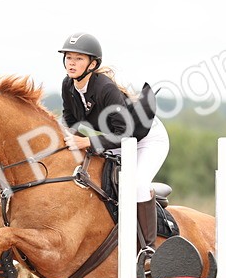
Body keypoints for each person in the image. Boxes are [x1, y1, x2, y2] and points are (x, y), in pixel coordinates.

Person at [58, 31, 170, 250]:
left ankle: (148, 249)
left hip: (145, 139)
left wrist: (88, 143)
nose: (71, 63)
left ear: (92, 64)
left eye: (78, 58)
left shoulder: (105, 89)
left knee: (136, 185)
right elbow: (71, 121)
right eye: (69, 58)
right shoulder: (68, 86)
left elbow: (126, 135)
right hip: (117, 140)